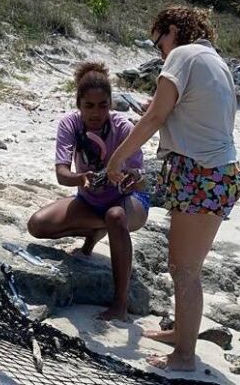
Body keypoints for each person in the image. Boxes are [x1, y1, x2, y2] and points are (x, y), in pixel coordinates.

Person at [106, 6, 240, 371]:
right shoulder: (214, 60)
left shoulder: (183, 55)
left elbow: (155, 117)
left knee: (185, 271)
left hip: (202, 174)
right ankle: (180, 334)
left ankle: (184, 355)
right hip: (211, 173)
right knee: (181, 267)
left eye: (159, 42)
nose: (160, 52)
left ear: (173, 31)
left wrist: (118, 158)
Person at [27, 62, 150, 321]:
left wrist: (132, 178)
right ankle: (97, 230)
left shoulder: (123, 128)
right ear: (79, 104)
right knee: (37, 226)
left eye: (103, 105)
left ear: (111, 104)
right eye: (89, 106)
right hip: (90, 199)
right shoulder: (70, 125)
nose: (96, 113)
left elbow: (142, 180)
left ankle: (120, 302)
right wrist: (80, 178)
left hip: (128, 203)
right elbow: (62, 174)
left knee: (115, 216)